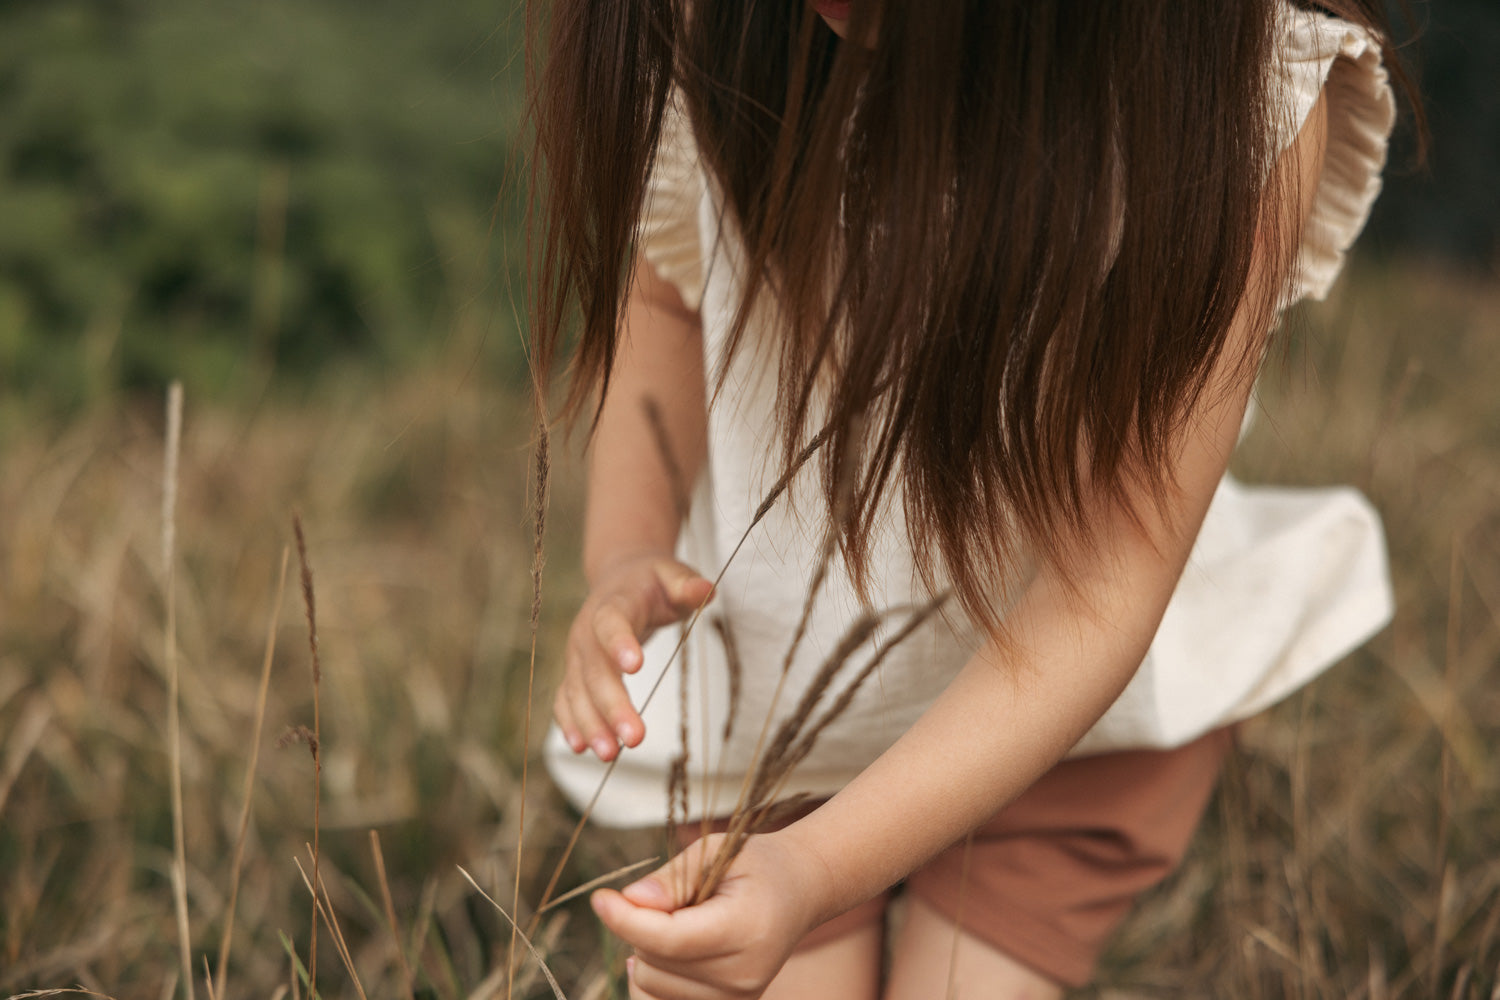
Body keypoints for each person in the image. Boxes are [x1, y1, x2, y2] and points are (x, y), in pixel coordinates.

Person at [532, 1, 1410, 997]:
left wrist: (811, 872)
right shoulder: (714, 36)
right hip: (780, 717)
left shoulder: (1224, 104)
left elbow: (1101, 584)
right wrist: (625, 554)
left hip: (1065, 731)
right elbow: (663, 302)